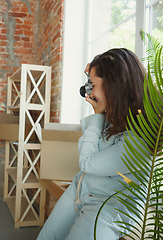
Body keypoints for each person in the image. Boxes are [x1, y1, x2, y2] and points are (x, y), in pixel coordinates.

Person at [37, 48, 149, 240]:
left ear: (113, 85)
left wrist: (98, 114)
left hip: (107, 207)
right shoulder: (114, 118)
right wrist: (94, 77)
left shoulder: (140, 138)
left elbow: (87, 162)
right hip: (79, 190)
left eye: (93, 85)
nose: (88, 90)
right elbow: (89, 140)